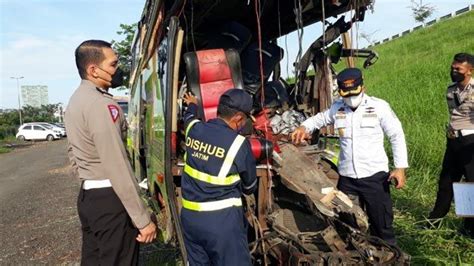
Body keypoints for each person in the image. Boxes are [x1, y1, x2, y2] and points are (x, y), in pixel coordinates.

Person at [291, 68, 408, 246]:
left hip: (374, 176)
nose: (351, 97)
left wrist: (400, 168)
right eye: (346, 93)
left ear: (363, 87)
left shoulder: (379, 106)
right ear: (340, 92)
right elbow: (319, 119)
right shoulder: (338, 108)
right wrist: (303, 127)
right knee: (347, 223)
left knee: (382, 224)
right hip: (347, 178)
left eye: (355, 91)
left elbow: (396, 135)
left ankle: (390, 255)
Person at [65, 40, 156, 265]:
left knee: (94, 259)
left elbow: (72, 152)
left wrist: (89, 178)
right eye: (114, 64)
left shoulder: (76, 101)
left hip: (90, 196)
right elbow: (117, 165)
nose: (118, 70)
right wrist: (142, 219)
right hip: (110, 198)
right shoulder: (101, 104)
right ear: (93, 70)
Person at [180, 89, 257, 266]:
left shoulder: (194, 129)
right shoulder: (239, 144)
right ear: (238, 118)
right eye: (245, 119)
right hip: (222, 223)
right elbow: (249, 186)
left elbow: (189, 116)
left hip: (190, 220)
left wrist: (193, 103)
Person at [428, 53, 474, 237]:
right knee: (446, 183)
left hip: (470, 143)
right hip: (453, 142)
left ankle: (469, 228)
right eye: (452, 68)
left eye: (458, 69)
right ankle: (433, 221)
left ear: (469, 70)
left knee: (470, 186)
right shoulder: (451, 90)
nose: (453, 71)